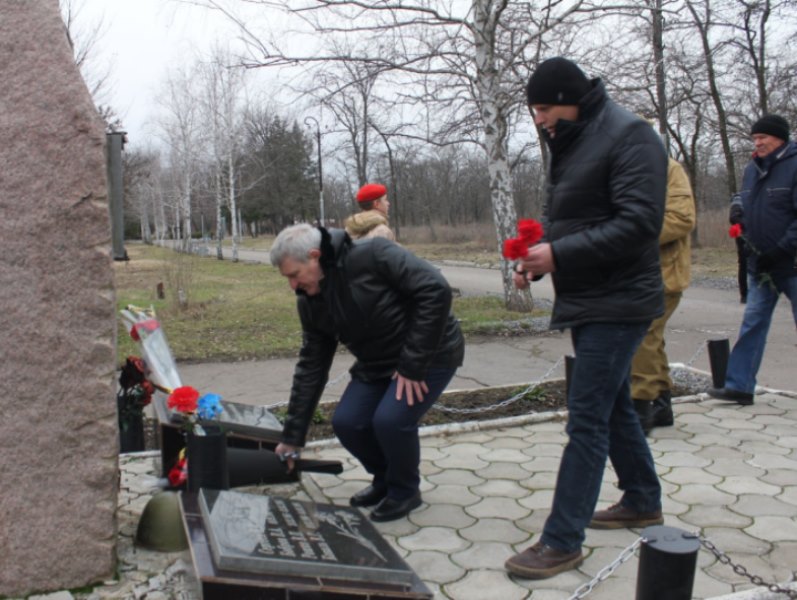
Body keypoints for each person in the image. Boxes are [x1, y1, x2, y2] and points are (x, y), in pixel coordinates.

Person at [504, 57, 666, 580]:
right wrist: (538, 258)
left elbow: (640, 224)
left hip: (621, 301)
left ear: (571, 98)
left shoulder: (630, 136)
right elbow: (564, 217)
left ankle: (562, 540)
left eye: (545, 108)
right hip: (592, 298)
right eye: (535, 111)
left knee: (587, 418)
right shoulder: (572, 141)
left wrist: (560, 254)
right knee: (614, 406)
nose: (540, 120)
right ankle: (641, 499)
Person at [270, 223, 464, 522]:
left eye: (294, 276)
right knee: (348, 423)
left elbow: (435, 289)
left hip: (430, 353)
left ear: (314, 256)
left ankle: (405, 492)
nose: (292, 286)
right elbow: (312, 364)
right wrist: (293, 435)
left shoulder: (372, 255)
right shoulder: (310, 300)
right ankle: (385, 479)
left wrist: (413, 365)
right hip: (376, 363)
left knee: (390, 420)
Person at [709, 114, 797, 406]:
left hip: (790, 264)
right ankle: (740, 386)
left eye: (763, 138)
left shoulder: (794, 165)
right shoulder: (752, 169)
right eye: (754, 138)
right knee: (752, 324)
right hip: (761, 266)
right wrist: (737, 211)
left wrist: (781, 251)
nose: (757, 143)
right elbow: (743, 198)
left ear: (780, 138)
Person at [631, 157, 696, 434]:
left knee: (643, 333)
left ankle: (641, 406)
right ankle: (660, 405)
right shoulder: (622, 168)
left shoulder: (668, 168)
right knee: (650, 338)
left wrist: (627, 232)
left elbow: (682, 218)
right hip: (634, 274)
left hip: (663, 273)